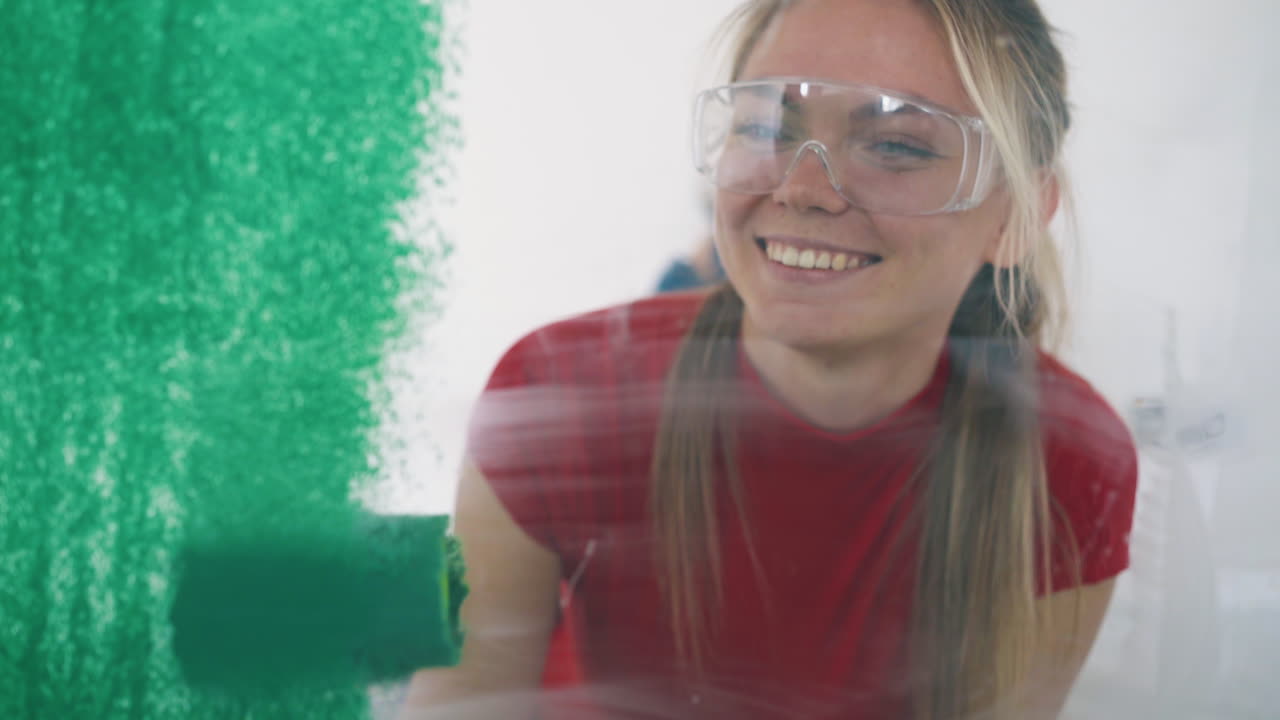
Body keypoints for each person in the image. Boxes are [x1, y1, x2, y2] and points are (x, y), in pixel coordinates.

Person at [402, 0, 1138, 718]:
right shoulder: (555, 392)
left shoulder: (1068, 465)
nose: (801, 188)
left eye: (896, 145)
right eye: (764, 127)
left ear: (1013, 218)